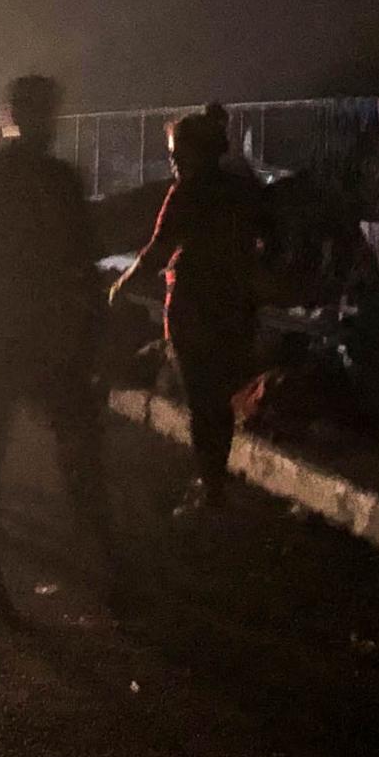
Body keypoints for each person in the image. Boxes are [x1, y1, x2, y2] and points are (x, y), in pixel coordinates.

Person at [0, 73, 110, 617]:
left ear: (10, 113)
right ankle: (104, 567)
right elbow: (86, 265)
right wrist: (90, 336)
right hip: (51, 338)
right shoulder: (61, 180)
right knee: (79, 450)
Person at [113, 103, 266, 509]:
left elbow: (158, 249)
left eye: (177, 152)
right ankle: (213, 478)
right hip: (235, 306)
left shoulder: (188, 192)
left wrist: (122, 286)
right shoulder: (241, 191)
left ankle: (210, 485)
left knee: (201, 399)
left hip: (195, 306)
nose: (174, 161)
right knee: (221, 397)